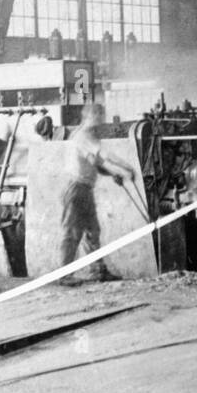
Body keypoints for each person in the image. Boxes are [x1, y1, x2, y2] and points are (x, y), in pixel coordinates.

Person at [57, 104, 138, 287]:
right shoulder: (83, 135)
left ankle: (97, 271)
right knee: (72, 232)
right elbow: (105, 156)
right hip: (75, 188)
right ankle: (64, 275)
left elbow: (98, 164)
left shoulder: (88, 135)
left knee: (92, 231)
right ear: (90, 116)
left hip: (84, 189)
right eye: (100, 116)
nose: (102, 120)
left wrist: (115, 173)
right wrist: (126, 169)